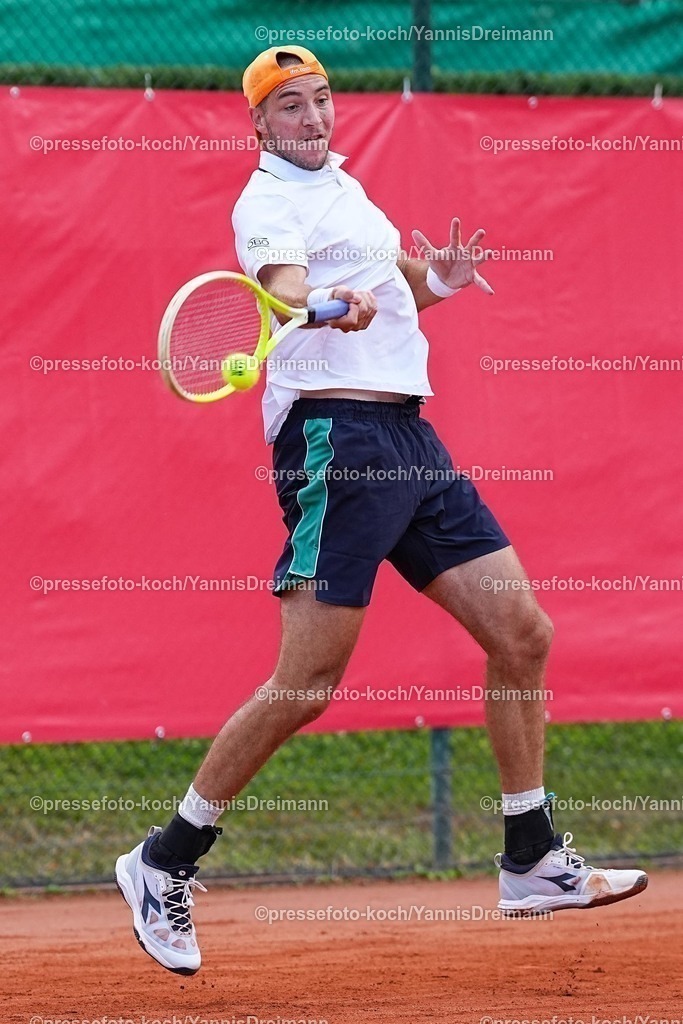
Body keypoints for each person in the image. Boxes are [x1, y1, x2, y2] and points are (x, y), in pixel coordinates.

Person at [116, 46, 647, 976]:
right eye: (290, 108)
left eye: (321, 100)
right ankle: (162, 859)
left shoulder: (347, 192)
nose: (313, 119)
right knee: (307, 685)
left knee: (521, 631)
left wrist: (430, 280)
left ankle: (529, 858)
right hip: (339, 445)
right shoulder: (266, 203)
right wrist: (323, 304)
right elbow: (279, 291)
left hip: (412, 440)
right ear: (259, 125)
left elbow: (394, 284)